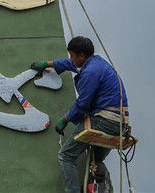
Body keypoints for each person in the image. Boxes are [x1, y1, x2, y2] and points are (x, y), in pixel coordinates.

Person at [31, 36, 128, 193]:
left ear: (81, 55)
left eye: (72, 55)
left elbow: (83, 103)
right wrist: (48, 64)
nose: (71, 58)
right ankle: (104, 186)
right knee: (96, 159)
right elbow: (69, 64)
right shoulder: (96, 63)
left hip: (104, 120)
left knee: (66, 156)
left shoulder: (90, 72)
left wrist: (65, 119)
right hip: (118, 123)